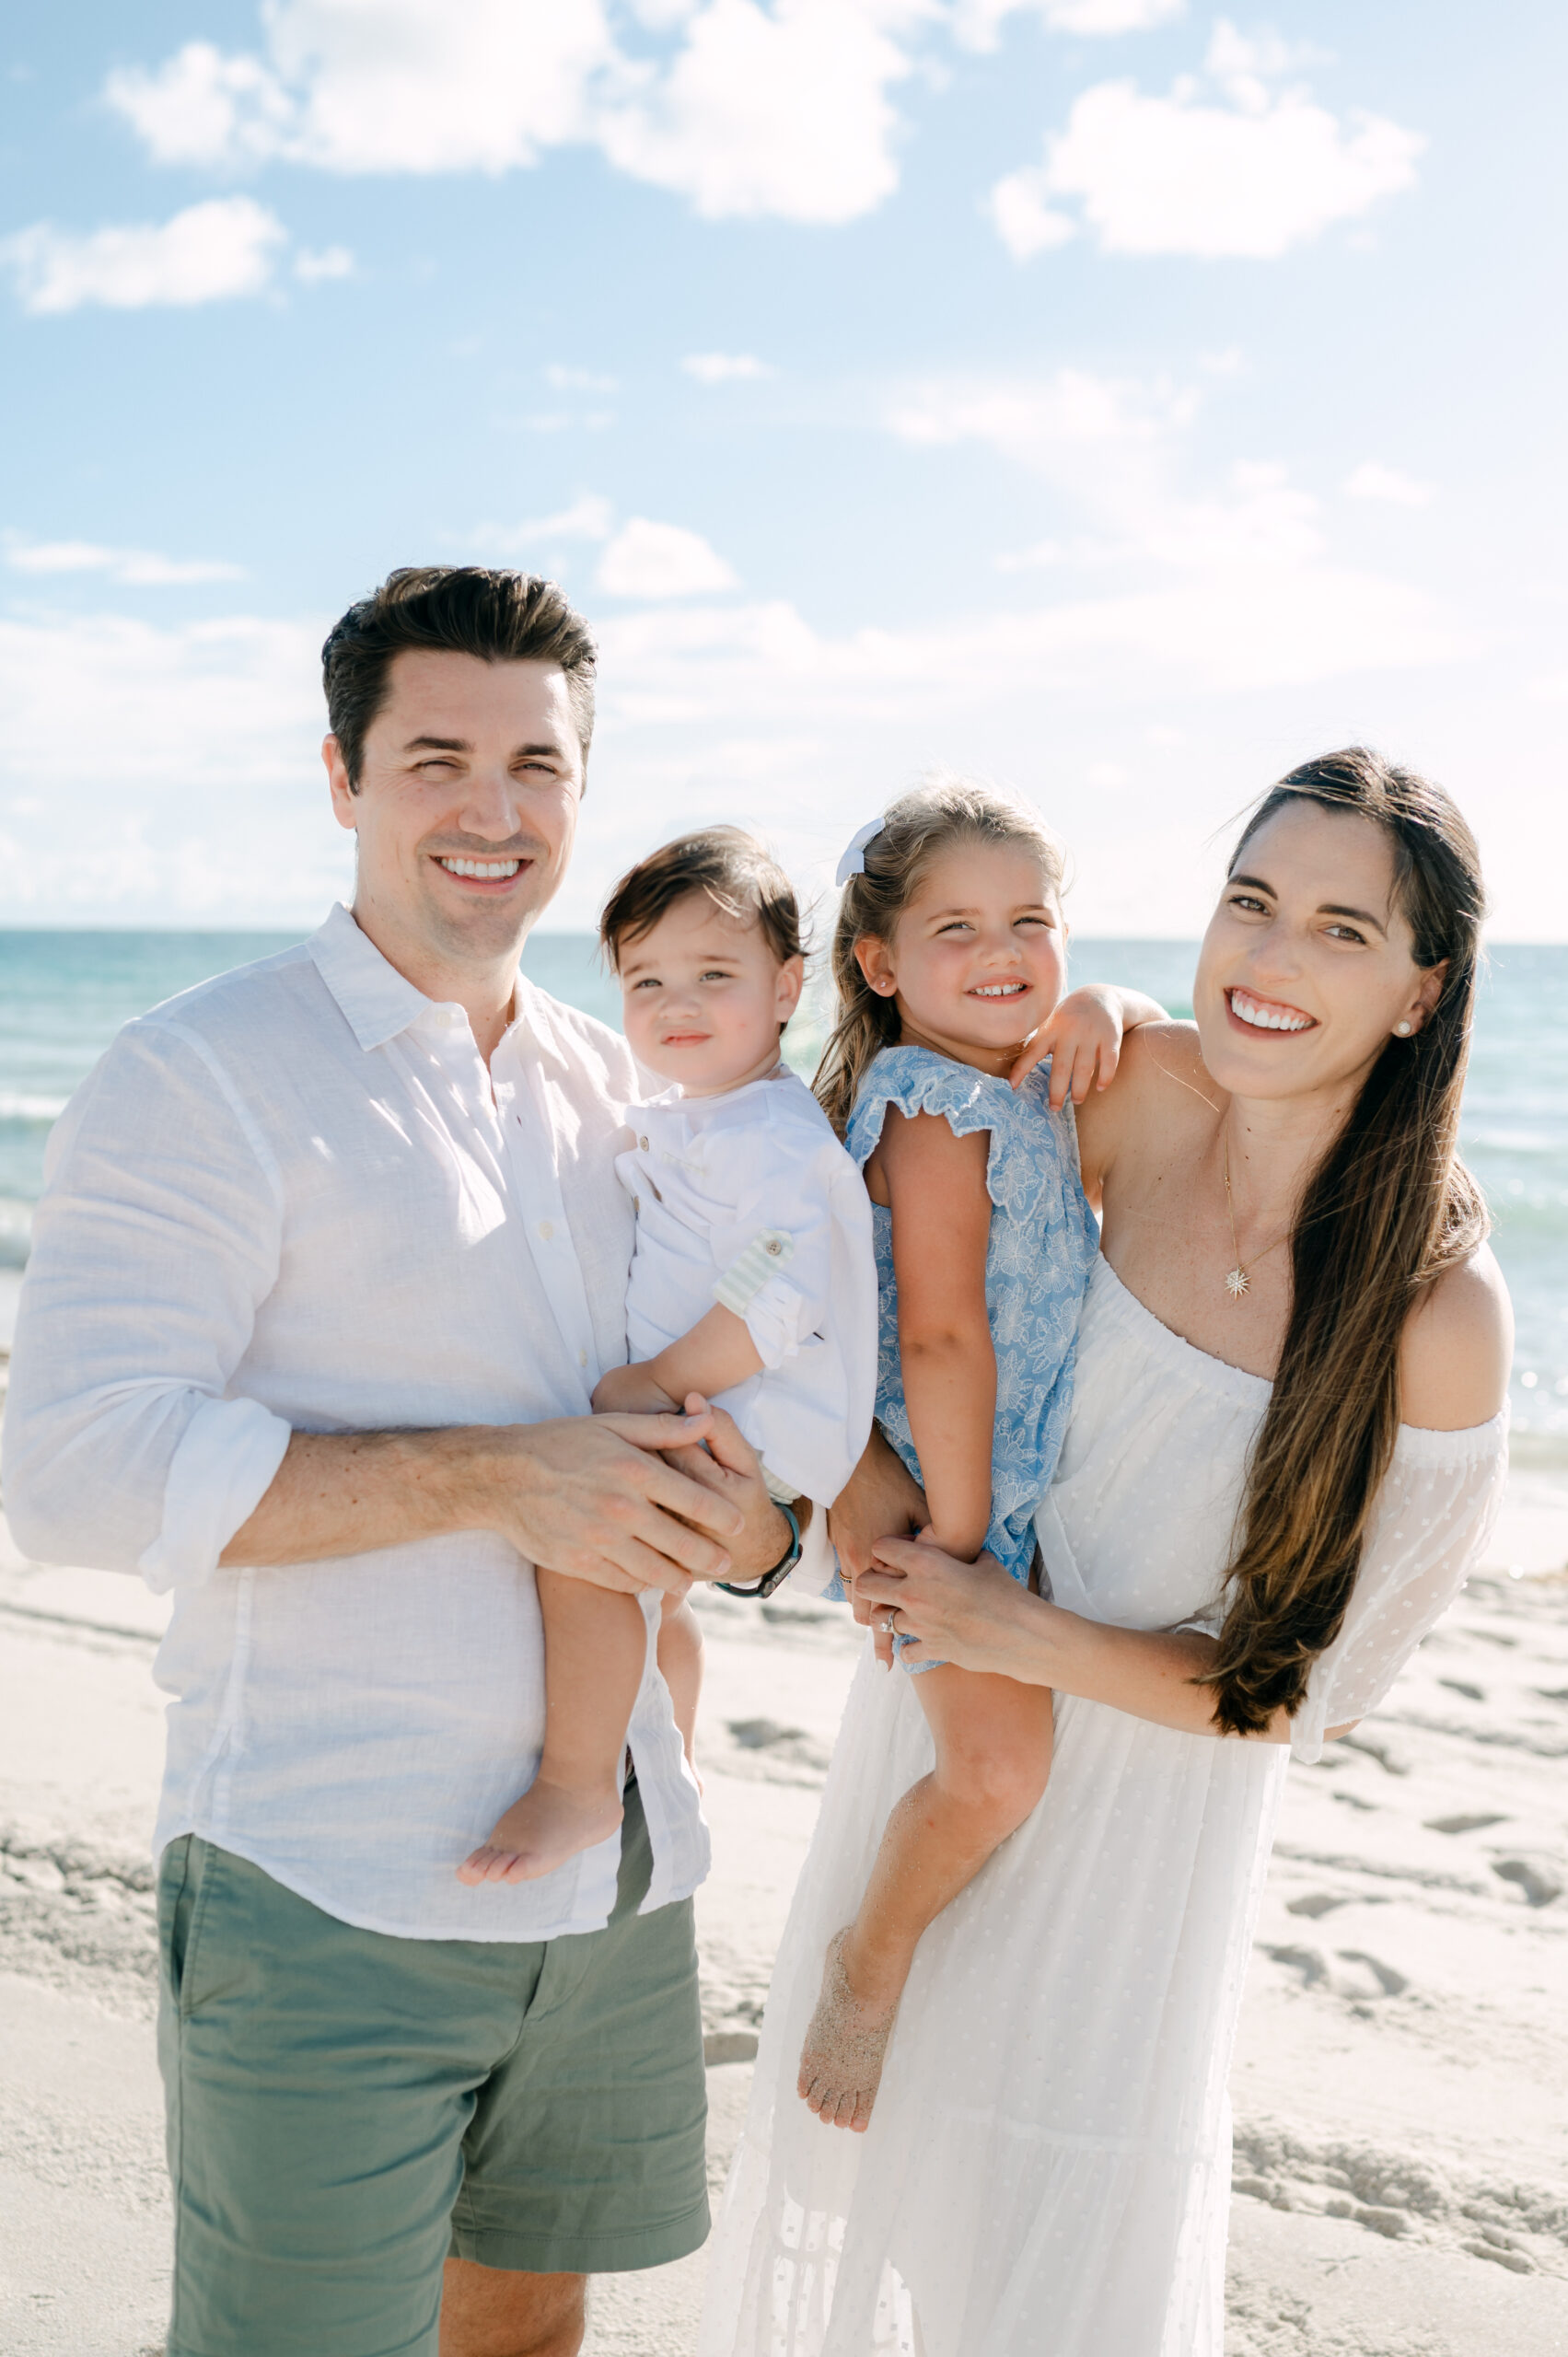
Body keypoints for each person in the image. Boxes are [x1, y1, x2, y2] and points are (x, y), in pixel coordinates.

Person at [3, 566, 798, 2357]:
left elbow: (737, 1391)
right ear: (343, 775)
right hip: (326, 1871)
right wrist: (491, 1477)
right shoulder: (198, 1071)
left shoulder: (632, 1087)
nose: (492, 805)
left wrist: (756, 1529)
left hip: (616, 1877)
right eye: (436, 754)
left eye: (537, 761)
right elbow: (69, 1472)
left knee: (523, 2335)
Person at [700, 749, 1512, 2357]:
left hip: (1138, 1861)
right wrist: (876, 1524)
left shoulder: (1436, 1314)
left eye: (1341, 933)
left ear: (1422, 993)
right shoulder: (1121, 1097)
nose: (1269, 960)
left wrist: (1024, 1637)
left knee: (1062, 2293)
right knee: (898, 2255)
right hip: (941, 1760)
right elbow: (877, 1312)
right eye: (1248, 903)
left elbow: (1313, 1697)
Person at [792, 779, 1164, 2131]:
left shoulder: (1012, 1078)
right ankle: (869, 1954)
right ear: (878, 966)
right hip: (945, 1502)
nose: (1001, 952)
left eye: (1031, 921)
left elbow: (1152, 1044)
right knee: (996, 1774)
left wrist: (1109, 1004)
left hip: (1001, 1486)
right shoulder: (925, 1106)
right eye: (956, 929)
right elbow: (941, 1336)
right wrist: (956, 1550)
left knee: (1021, 1774)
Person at [460, 826, 881, 1886]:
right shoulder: (704, 1116)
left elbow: (774, 1293)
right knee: (665, 1601)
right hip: (728, 1408)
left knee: (584, 1549)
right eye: (644, 979)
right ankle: (668, 1759)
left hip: (747, 1413)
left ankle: (576, 1784)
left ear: (788, 988)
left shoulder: (772, 1138)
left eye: (712, 975)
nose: (675, 1005)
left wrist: (654, 1382)